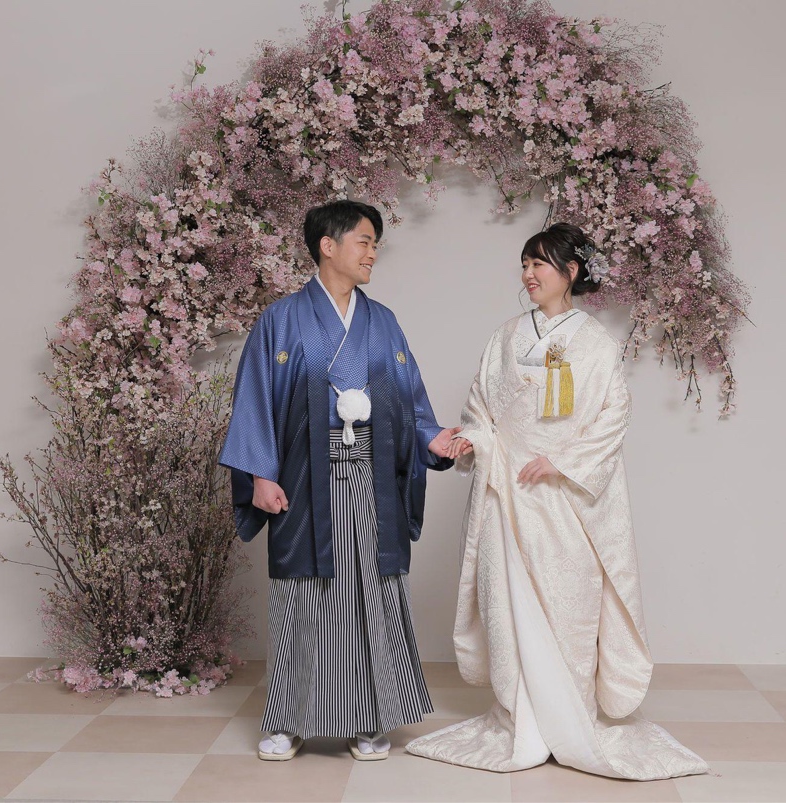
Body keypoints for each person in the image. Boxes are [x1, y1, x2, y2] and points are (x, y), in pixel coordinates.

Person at [405, 223, 709, 780]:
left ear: (571, 272)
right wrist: (477, 439)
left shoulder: (595, 342)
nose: (528, 274)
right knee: (505, 602)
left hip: (560, 495)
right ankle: (518, 716)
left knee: (567, 604)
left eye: (540, 263)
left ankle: (567, 718)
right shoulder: (504, 337)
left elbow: (613, 415)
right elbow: (480, 405)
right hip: (504, 489)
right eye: (525, 263)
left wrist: (562, 463)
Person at [219, 200, 459, 762]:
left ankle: (369, 719)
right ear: (328, 246)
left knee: (371, 594)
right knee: (303, 594)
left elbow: (410, 398)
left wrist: (431, 439)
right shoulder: (281, 319)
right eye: (365, 241)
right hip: (304, 479)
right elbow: (254, 399)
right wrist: (259, 474)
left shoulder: (384, 322)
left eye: (375, 244)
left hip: (372, 477)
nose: (373, 253)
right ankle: (288, 720)